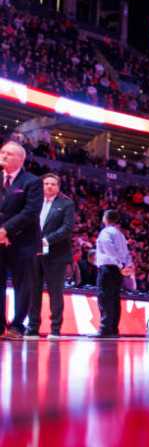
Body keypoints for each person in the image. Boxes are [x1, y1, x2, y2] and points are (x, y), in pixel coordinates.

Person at [0, 141, 43, 340]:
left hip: (22, 241)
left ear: (20, 159)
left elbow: (30, 212)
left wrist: (6, 230)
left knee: (22, 284)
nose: (4, 156)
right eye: (2, 152)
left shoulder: (32, 181)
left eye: (9, 153)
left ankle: (17, 326)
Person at [28, 172, 74, 338]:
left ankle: (55, 329)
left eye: (53, 184)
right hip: (33, 253)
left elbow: (67, 228)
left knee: (56, 293)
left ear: (58, 187)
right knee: (33, 291)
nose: (49, 186)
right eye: (46, 183)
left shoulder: (66, 203)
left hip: (56, 255)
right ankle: (32, 328)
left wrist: (47, 240)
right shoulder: (33, 202)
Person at [94, 209, 133, 337]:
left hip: (108, 268)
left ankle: (105, 329)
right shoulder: (120, 234)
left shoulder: (105, 232)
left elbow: (109, 249)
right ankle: (113, 329)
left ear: (105, 218)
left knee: (105, 298)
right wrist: (126, 265)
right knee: (115, 299)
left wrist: (120, 264)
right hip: (118, 271)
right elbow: (127, 253)